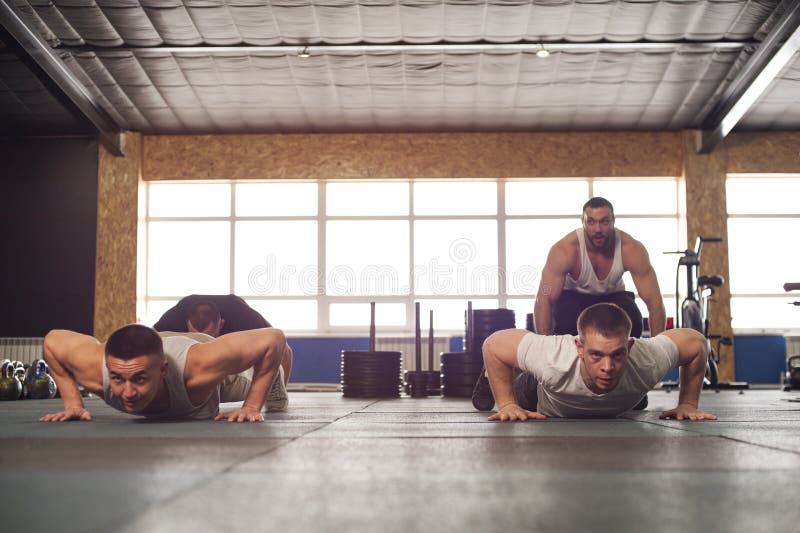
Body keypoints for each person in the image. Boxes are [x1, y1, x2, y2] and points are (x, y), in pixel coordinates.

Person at [483, 303, 716, 421]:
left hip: (620, 401)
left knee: (639, 400)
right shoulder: (553, 357)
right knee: (519, 378)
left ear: (630, 347)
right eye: (596, 355)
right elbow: (493, 345)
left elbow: (696, 342)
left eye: (617, 354)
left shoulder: (647, 358)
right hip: (542, 395)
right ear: (579, 347)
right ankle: (491, 378)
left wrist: (688, 403)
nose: (607, 367)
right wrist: (506, 405)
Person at [38, 323, 292, 423]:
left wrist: (251, 405)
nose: (127, 393)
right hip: (156, 344)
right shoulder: (93, 369)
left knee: (260, 379)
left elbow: (273, 338)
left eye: (139, 379)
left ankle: (276, 383)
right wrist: (72, 403)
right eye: (117, 378)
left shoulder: (199, 370)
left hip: (201, 359)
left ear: (162, 370)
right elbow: (52, 340)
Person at [534, 196, 666, 338]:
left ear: (613, 221)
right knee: (566, 324)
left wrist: (658, 347)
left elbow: (655, 301)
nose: (597, 229)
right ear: (583, 222)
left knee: (633, 322)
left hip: (613, 296)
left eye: (604, 221)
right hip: (574, 296)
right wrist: (544, 347)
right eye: (591, 222)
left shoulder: (631, 249)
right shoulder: (565, 250)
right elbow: (543, 299)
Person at [153, 294, 270, 337]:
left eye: (207, 338)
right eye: (196, 338)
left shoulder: (242, 316)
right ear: (186, 323)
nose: (203, 344)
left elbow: (284, 349)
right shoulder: (175, 317)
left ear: (221, 324)